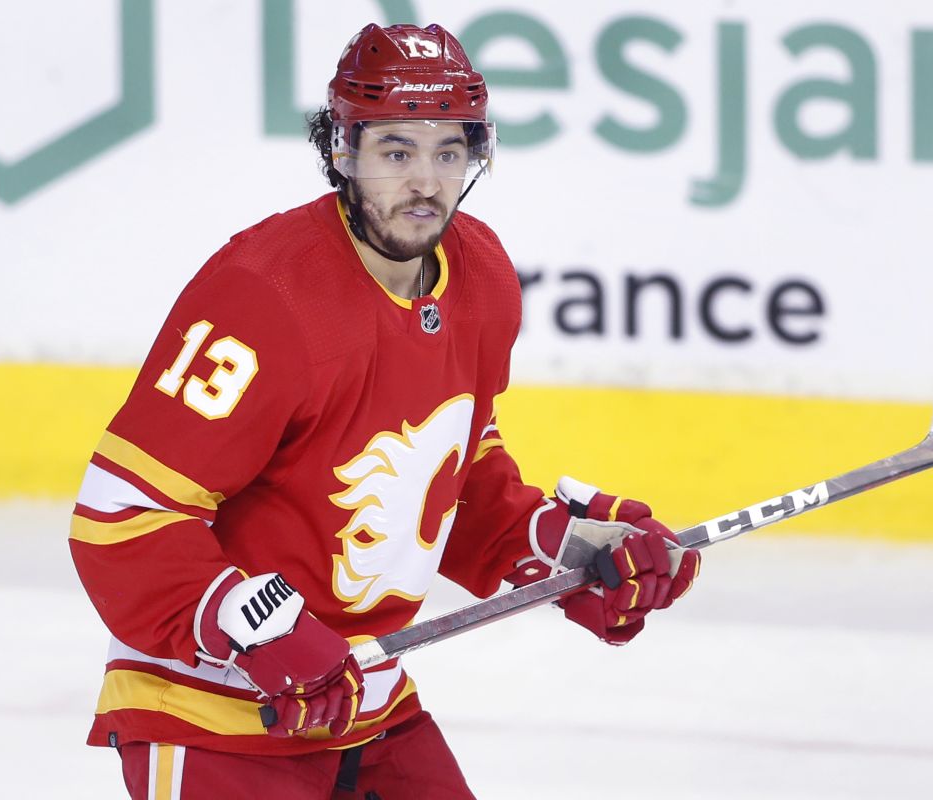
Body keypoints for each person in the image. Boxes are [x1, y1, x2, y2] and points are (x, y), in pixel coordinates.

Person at [69, 22, 701, 800]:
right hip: (215, 722)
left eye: (449, 152)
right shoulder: (262, 296)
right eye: (397, 152)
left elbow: (449, 467)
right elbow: (121, 517)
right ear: (342, 151)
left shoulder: (482, 277)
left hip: (366, 705)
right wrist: (248, 624)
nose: (427, 182)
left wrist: (556, 543)